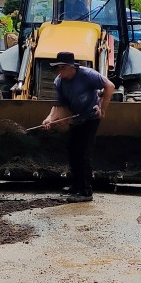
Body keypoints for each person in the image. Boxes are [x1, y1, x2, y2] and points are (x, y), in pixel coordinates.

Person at [42, 51, 115, 202]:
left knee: (84, 153)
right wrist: (49, 119)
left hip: (90, 117)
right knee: (73, 151)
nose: (59, 71)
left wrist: (103, 108)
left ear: (71, 67)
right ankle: (76, 185)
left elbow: (110, 86)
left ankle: (86, 192)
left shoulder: (87, 75)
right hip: (76, 118)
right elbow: (59, 107)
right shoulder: (59, 82)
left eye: (62, 68)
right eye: (58, 68)